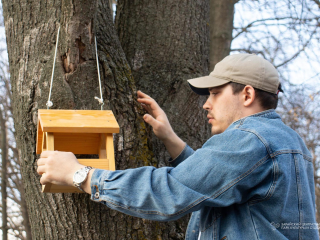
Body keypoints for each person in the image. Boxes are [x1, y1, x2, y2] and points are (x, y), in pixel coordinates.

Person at [37, 54, 318, 239]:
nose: (206, 103)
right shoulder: (287, 142)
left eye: (215, 93)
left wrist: (81, 175)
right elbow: (223, 184)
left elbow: (170, 193)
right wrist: (172, 140)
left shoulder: (251, 138)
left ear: (247, 94)